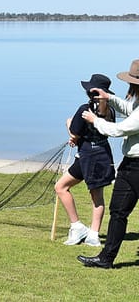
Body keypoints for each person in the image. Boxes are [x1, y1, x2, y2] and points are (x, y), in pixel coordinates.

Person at [78, 59, 139, 268]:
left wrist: (95, 121)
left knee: (119, 212)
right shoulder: (137, 101)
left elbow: (118, 129)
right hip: (129, 166)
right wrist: (109, 98)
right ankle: (106, 259)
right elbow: (128, 108)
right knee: (118, 211)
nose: (130, 86)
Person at [55, 74, 115, 247]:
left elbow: (75, 133)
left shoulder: (84, 109)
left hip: (87, 156)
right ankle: (88, 232)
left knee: (61, 187)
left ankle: (81, 229)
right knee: (96, 196)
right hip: (102, 154)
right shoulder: (110, 111)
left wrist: (68, 123)